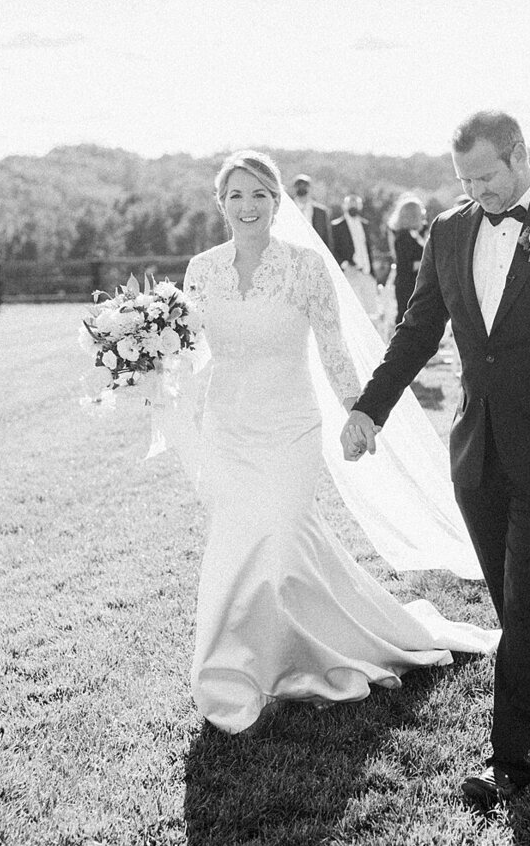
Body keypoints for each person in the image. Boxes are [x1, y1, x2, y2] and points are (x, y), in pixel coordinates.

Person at [341, 111, 530, 805]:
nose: (476, 192)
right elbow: (417, 330)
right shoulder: (447, 231)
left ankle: (509, 761)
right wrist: (368, 408)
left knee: (529, 592)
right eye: (463, 180)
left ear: (519, 156)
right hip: (477, 447)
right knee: (509, 595)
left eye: (486, 176)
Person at [165, 151, 497, 734]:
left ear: (277, 203)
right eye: (236, 196)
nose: (247, 206)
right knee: (238, 545)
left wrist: (358, 413)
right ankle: (237, 665)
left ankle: (308, 652)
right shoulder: (201, 270)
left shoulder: (305, 268)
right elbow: (194, 352)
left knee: (284, 532)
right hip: (227, 428)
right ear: (221, 204)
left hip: (289, 426)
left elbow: (334, 349)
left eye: (259, 195)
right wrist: (149, 366)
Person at [331, 194, 380, 321]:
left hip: (367, 273)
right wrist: (345, 265)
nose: (353, 206)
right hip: (350, 273)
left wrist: (373, 273)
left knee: (372, 312)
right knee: (353, 312)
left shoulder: (365, 224)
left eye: (356, 204)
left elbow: (368, 248)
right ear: (344, 206)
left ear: (360, 206)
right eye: (350, 203)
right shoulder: (336, 226)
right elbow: (332, 249)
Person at [386, 194, 428, 324]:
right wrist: (428, 262)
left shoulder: (415, 234)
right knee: (406, 318)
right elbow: (404, 264)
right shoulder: (403, 237)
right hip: (407, 284)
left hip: (414, 283)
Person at [290, 173, 333, 251]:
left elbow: (327, 239)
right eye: (299, 185)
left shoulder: (321, 212)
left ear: (310, 188)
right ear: (294, 188)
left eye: (305, 185)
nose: (302, 187)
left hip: (316, 252)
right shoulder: (287, 209)